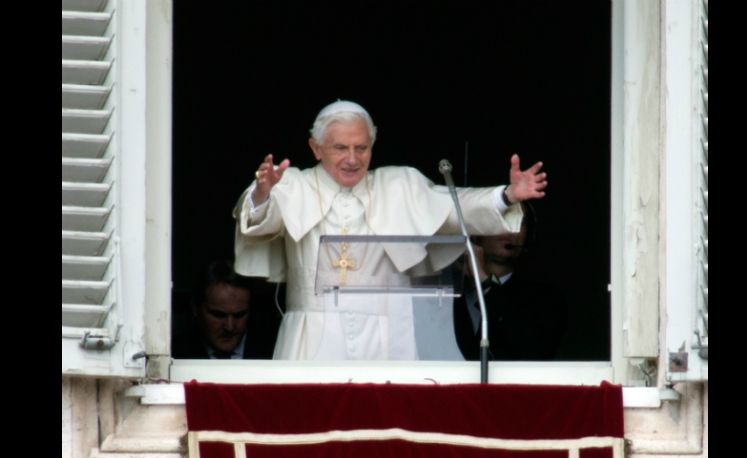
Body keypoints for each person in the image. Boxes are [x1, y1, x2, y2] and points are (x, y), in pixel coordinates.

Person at [232, 99, 547, 360]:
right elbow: (259, 220)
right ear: (316, 148)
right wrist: (262, 193)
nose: (353, 159)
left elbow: (454, 208)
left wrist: (505, 196)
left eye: (362, 148)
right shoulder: (293, 185)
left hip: (386, 337)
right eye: (341, 148)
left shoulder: (398, 185)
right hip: (312, 335)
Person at [453, 203, 567, 360]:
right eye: (500, 216)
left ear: (528, 236)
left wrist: (485, 280)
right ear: (476, 230)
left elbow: (533, 349)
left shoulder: (546, 299)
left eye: (519, 220)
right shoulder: (447, 291)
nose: (508, 227)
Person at [172, 259, 278, 359]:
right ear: (196, 309)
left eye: (239, 315)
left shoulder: (276, 352)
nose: (230, 327)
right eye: (219, 315)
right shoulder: (172, 354)